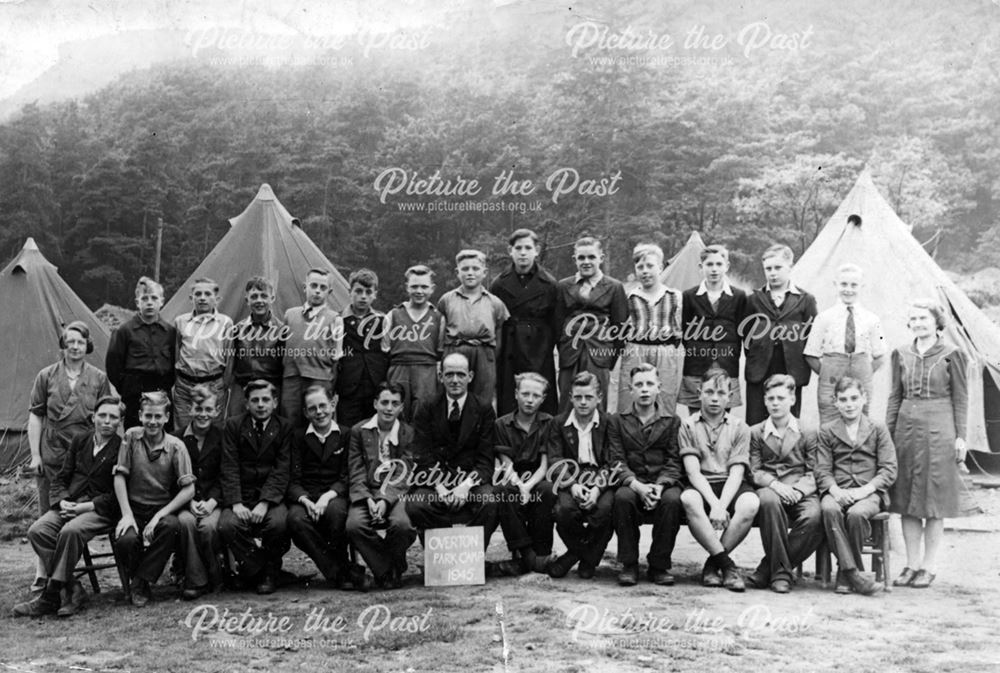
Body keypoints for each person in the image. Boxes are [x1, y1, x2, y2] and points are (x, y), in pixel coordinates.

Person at [13, 396, 124, 618]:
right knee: (38, 531)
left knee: (70, 531)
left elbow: (119, 494)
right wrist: (62, 500)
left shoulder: (123, 448)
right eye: (102, 415)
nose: (107, 421)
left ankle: (50, 595)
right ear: (93, 418)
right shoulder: (80, 440)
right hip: (70, 503)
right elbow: (61, 478)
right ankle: (72, 588)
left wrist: (85, 508)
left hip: (98, 510)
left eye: (113, 417)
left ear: (120, 421)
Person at [886, 299, 968, 589]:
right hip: (906, 429)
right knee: (907, 499)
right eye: (914, 319)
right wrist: (889, 433)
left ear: (936, 322)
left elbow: (961, 398)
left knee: (934, 501)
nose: (918, 323)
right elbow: (895, 396)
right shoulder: (901, 353)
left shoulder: (952, 354)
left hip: (940, 427)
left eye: (924, 318)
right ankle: (910, 564)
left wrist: (961, 437)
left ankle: (929, 566)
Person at [405, 353, 499, 546]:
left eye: (460, 374)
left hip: (469, 481)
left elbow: (485, 460)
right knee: (417, 505)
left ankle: (471, 555)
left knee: (490, 501)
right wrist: (440, 487)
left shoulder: (483, 409)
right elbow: (422, 455)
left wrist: (465, 487)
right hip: (436, 481)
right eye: (449, 374)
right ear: (440, 377)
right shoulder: (427, 406)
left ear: (470, 377)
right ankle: (443, 554)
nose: (455, 380)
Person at [679, 368, 760, 592]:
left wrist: (722, 504)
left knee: (750, 504)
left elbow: (737, 472)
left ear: (730, 395)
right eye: (709, 392)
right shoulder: (687, 425)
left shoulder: (740, 427)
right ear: (699, 393)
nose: (715, 398)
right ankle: (727, 566)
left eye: (721, 393)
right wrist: (714, 504)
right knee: (688, 498)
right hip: (702, 483)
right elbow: (693, 473)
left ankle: (712, 564)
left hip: (730, 485)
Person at [112, 391, 195, 607]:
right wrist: (127, 514)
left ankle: (141, 581)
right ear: (140, 415)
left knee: (171, 527)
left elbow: (189, 490)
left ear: (167, 418)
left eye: (158, 416)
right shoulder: (130, 437)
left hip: (162, 508)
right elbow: (120, 476)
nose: (153, 422)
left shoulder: (176, 446)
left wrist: (159, 515)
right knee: (126, 540)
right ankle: (141, 580)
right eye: (148, 416)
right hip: (135, 508)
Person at [816, 377, 897, 596]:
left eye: (854, 398)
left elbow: (889, 468)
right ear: (835, 402)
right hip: (837, 490)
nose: (849, 404)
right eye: (843, 399)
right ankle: (854, 573)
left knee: (856, 514)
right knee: (829, 509)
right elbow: (822, 469)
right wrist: (835, 491)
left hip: (867, 492)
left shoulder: (878, 428)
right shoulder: (827, 430)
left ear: (864, 399)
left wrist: (866, 490)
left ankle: (844, 572)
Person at [746, 375, 823, 594]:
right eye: (770, 398)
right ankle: (780, 574)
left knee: (815, 516)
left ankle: (766, 568)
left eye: (781, 398)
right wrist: (776, 485)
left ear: (792, 399)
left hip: (800, 490)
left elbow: (814, 470)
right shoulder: (756, 432)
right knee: (769, 502)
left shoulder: (807, 431)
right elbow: (754, 470)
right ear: (764, 401)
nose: (775, 403)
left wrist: (799, 490)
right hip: (771, 489)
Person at [28, 322, 114, 515]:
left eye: (80, 342)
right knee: (50, 503)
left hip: (83, 449)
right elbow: (35, 415)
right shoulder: (46, 375)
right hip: (53, 448)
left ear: (87, 346)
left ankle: (78, 544)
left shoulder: (99, 378)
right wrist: (35, 455)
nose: (75, 347)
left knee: (80, 500)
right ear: (63, 345)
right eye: (70, 342)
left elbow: (106, 416)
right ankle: (50, 543)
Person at [611, 364, 685, 587]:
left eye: (650, 384)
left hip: (662, 483)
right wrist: (637, 486)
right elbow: (616, 461)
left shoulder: (672, 421)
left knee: (672, 500)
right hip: (633, 482)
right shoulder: (617, 420)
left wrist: (660, 486)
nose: (645, 390)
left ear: (659, 388)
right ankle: (629, 563)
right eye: (639, 385)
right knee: (622, 498)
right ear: (630, 389)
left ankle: (659, 564)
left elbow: (674, 461)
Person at [287, 384, 365, 590]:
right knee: (295, 519)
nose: (319, 412)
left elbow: (348, 475)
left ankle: (339, 571)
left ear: (333, 405)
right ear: (305, 412)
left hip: (334, 494)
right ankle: (341, 571)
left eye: (323, 406)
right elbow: (292, 478)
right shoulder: (297, 437)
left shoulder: (347, 434)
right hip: (305, 496)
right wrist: (304, 499)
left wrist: (327, 496)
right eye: (312, 408)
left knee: (337, 512)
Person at [219, 380, 293, 594]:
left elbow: (282, 469)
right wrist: (236, 502)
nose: (261, 405)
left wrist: (265, 503)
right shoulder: (233, 426)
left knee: (278, 523)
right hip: (242, 496)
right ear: (246, 404)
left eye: (265, 400)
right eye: (255, 400)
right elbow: (229, 465)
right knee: (228, 525)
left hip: (270, 498)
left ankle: (257, 571)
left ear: (275, 402)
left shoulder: (284, 427)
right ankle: (265, 571)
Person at [547, 372, 623, 580]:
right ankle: (587, 556)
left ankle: (575, 557)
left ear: (599, 397)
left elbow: (613, 461)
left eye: (588, 397)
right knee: (564, 510)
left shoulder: (609, 423)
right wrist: (572, 485)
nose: (582, 402)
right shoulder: (558, 423)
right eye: (578, 397)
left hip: (601, 477)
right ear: (570, 396)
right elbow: (555, 460)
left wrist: (598, 489)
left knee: (605, 511)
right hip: (571, 476)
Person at [346, 382, 418, 589]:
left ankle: (388, 568)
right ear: (375, 403)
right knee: (355, 525)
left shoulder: (408, 433)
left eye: (395, 403)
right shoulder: (359, 431)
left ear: (401, 407)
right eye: (384, 402)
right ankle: (388, 569)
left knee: (402, 525)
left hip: (396, 493)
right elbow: (356, 469)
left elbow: (403, 472)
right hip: (366, 491)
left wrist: (385, 501)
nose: (389, 408)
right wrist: (368, 498)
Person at [743, 245, 817, 425]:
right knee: (756, 417)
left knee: (789, 419)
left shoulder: (805, 299)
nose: (773, 273)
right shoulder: (754, 299)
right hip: (760, 367)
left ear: (790, 266)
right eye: (768, 269)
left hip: (791, 367)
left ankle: (787, 453)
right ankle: (757, 452)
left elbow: (811, 335)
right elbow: (746, 334)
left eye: (778, 268)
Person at [804, 263, 886, 424]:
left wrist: (865, 371)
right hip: (831, 376)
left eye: (854, 285)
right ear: (835, 285)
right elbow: (810, 355)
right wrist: (828, 372)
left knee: (861, 421)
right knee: (830, 421)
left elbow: (880, 355)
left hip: (861, 372)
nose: (848, 289)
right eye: (844, 284)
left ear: (862, 286)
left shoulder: (871, 319)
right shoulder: (824, 318)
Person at [491, 372, 556, 576]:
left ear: (543, 399)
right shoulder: (502, 424)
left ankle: (541, 552)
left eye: (536, 396)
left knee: (547, 490)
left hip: (538, 476)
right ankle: (529, 556)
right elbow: (505, 461)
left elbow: (546, 464)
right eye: (525, 394)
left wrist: (528, 487)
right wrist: (520, 485)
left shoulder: (548, 422)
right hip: (513, 476)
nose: (530, 400)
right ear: (516, 394)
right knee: (503, 491)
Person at [555, 236, 628, 413]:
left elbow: (620, 329)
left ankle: (596, 439)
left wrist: (608, 358)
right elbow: (557, 325)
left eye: (591, 257)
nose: (586, 262)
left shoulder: (614, 287)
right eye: (581, 258)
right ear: (575, 260)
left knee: (596, 404)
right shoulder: (563, 286)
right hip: (570, 354)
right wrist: (564, 348)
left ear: (601, 258)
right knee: (567, 402)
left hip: (599, 354)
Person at [491, 229, 559, 416]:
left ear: (536, 250)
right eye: (518, 248)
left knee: (540, 397)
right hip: (510, 350)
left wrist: (545, 347)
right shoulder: (498, 284)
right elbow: (495, 322)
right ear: (509, 250)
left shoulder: (550, 284)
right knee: (510, 399)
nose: (523, 252)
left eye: (528, 248)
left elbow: (556, 324)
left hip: (539, 350)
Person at [617, 243, 684, 415]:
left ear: (660, 268)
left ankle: (664, 438)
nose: (645, 271)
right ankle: (628, 436)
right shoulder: (628, 296)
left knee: (665, 396)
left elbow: (680, 327)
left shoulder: (674, 296)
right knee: (630, 395)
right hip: (635, 349)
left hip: (665, 351)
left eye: (650, 266)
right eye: (640, 267)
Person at [679, 245, 748, 414]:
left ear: (727, 266)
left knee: (723, 417)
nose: (714, 269)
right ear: (701, 267)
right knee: (696, 416)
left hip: (726, 364)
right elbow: (686, 332)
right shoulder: (689, 296)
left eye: (719, 264)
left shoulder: (738, 296)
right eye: (709, 264)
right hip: (696, 365)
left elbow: (742, 332)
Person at [437, 250, 510, 408]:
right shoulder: (447, 300)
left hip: (483, 353)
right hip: (455, 350)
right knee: (452, 396)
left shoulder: (495, 303)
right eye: (465, 269)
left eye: (475, 269)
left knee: (482, 398)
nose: (470, 273)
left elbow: (498, 334)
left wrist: (489, 357)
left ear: (484, 272)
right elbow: (441, 332)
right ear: (457, 272)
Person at [106, 277, 177, 429]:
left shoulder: (170, 332)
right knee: (135, 434)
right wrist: (127, 388)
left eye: (154, 298)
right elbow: (113, 365)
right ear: (137, 302)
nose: (149, 302)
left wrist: (165, 385)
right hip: (134, 394)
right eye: (144, 298)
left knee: (163, 435)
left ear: (162, 301)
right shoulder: (124, 331)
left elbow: (173, 363)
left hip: (161, 391)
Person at [176, 385, 225, 600]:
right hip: (187, 502)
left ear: (216, 411)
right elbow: (172, 478)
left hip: (215, 501)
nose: (203, 414)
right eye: (198, 409)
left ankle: (217, 574)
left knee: (207, 527)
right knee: (186, 523)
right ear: (189, 409)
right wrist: (189, 502)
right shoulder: (176, 440)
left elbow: (228, 474)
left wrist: (213, 501)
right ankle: (196, 580)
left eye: (208, 409)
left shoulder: (223, 437)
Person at [282, 268, 344, 427]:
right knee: (290, 421)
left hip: (320, 379)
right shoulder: (290, 315)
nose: (317, 291)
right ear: (305, 287)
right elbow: (283, 349)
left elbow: (337, 357)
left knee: (320, 422)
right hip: (292, 378)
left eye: (323, 288)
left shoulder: (334, 319)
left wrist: (330, 383)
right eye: (314, 286)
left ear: (329, 292)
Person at [383, 264, 445, 421]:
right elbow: (385, 348)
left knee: (424, 412)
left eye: (424, 287)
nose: (419, 291)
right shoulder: (393, 315)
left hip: (427, 371)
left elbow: (441, 350)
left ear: (432, 288)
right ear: (406, 287)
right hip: (399, 369)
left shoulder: (438, 317)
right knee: (397, 411)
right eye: (414, 286)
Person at [173, 277, 233, 430]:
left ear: (217, 299)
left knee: (213, 430)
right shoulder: (181, 322)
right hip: (185, 386)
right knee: (183, 430)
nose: (202, 298)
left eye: (207, 294)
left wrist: (223, 384)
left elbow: (229, 357)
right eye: (198, 294)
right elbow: (176, 352)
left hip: (213, 384)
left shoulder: (225, 323)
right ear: (191, 298)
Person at [337, 269, 389, 429]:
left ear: (375, 294)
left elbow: (387, 352)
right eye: (358, 291)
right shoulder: (339, 320)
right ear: (349, 292)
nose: (363, 296)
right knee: (348, 430)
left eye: (368, 292)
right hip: (349, 387)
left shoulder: (382, 320)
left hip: (375, 385)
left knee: (373, 430)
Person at [226, 277, 285, 419]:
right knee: (235, 424)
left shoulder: (282, 330)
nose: (259, 300)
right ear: (247, 301)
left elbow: (285, 365)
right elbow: (231, 363)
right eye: (254, 296)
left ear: (272, 298)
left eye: (264, 296)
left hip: (271, 387)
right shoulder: (237, 330)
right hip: (242, 386)